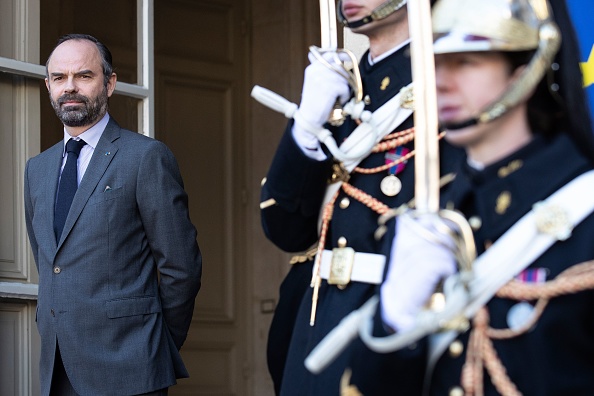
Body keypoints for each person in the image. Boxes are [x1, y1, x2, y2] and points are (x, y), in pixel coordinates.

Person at [344, 0, 594, 394]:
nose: (440, 81)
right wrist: (392, 324)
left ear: (525, 67)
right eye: (436, 60)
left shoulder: (585, 211)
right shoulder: (423, 220)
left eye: (467, 60)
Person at [259, 0, 462, 394]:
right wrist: (305, 126)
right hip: (319, 323)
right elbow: (285, 229)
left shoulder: (445, 81)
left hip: (398, 321)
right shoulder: (341, 87)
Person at [24, 34, 202, 396]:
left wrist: (156, 346)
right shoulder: (37, 169)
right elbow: (51, 262)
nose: (70, 87)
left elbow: (180, 266)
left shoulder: (145, 157)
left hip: (131, 366)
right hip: (57, 368)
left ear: (110, 83)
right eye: (59, 78)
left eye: (84, 76)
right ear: (48, 86)